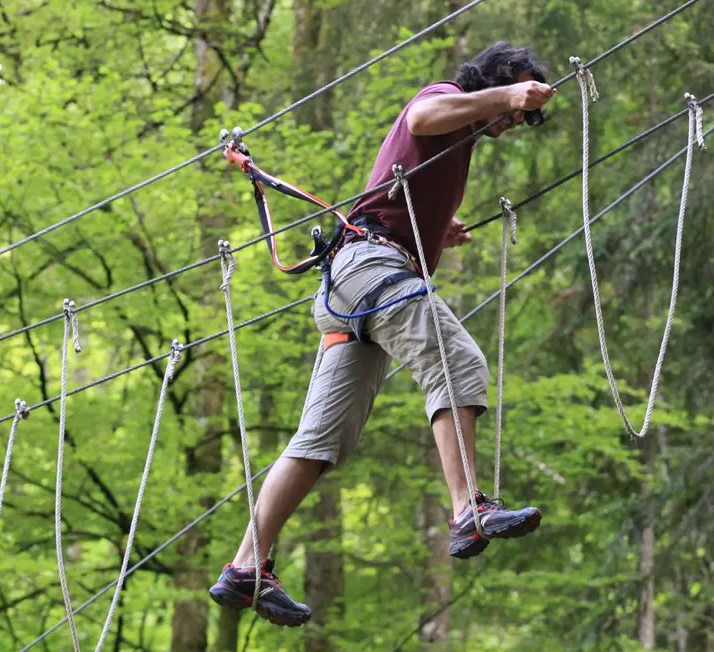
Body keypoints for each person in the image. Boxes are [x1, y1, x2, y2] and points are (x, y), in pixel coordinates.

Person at [208, 41, 557, 627]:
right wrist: (502, 96)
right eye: (517, 97)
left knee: (319, 442)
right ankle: (468, 507)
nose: (515, 117)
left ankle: (246, 566)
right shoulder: (447, 98)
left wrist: (438, 231)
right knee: (457, 361)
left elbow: (406, 183)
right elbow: (420, 117)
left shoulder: (461, 136)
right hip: (371, 270)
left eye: (521, 113)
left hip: (351, 289)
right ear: (496, 80)